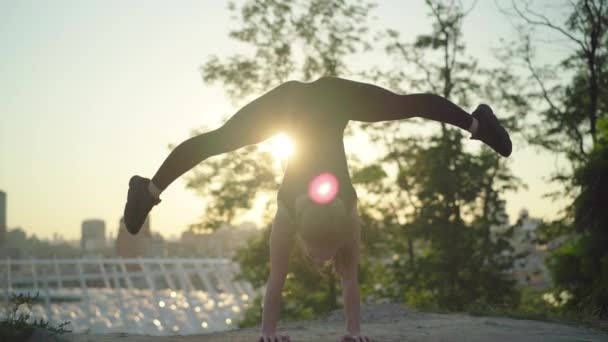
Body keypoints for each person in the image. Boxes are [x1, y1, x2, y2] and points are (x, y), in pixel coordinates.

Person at [123, 76, 511, 342]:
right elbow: (327, 281)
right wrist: (350, 330)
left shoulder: (341, 212)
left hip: (305, 102)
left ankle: (478, 125)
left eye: (313, 257)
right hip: (314, 102)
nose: (316, 260)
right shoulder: (295, 212)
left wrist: (270, 334)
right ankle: (149, 189)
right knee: (404, 105)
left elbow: (282, 282)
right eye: (320, 256)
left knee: (405, 106)